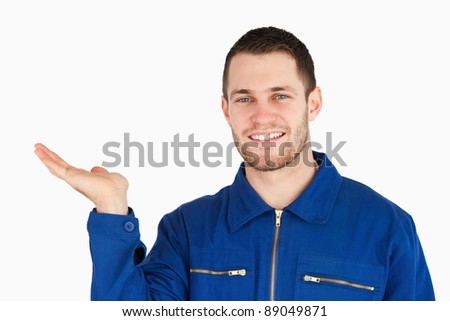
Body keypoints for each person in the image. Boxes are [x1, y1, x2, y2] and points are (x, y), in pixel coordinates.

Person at [34, 26, 434, 301]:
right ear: (226, 110)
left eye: (280, 95)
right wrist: (111, 209)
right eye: (245, 98)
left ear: (313, 103)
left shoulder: (388, 227)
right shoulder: (187, 230)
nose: (261, 116)